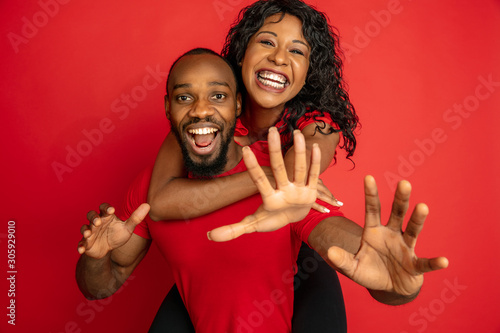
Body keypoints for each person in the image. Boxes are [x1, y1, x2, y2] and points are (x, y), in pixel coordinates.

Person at [76, 49, 449, 333]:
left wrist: (394, 282)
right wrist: (95, 258)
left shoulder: (279, 177)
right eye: (184, 97)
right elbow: (102, 285)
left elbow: (335, 235)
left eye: (218, 96)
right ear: (168, 109)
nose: (201, 110)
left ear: (238, 105)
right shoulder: (148, 189)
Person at [147, 0, 357, 330]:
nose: (278, 58)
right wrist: (269, 176)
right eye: (267, 42)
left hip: (291, 251)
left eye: (297, 51)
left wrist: (289, 175)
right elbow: (160, 201)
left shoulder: (315, 121)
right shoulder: (211, 110)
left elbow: (304, 164)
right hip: (220, 253)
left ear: (308, 73)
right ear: (242, 52)